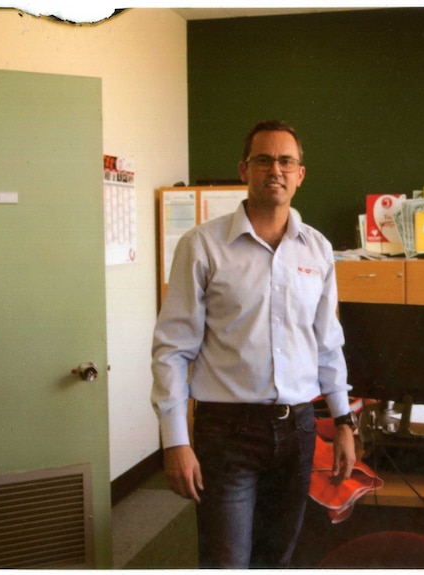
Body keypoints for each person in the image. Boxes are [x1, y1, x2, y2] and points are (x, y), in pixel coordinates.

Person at [151, 120, 357, 568]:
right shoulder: (203, 246)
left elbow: (327, 345)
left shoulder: (317, 250)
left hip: (299, 431)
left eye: (286, 161)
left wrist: (343, 422)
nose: (275, 170)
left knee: (276, 561)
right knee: (227, 562)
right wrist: (175, 441)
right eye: (264, 160)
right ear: (244, 169)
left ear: (301, 174)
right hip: (227, 434)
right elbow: (172, 349)